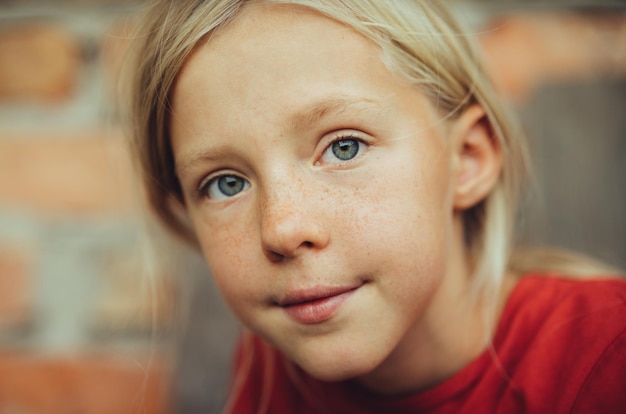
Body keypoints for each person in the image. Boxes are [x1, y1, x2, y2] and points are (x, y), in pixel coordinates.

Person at [127, 1, 626, 412]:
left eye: (344, 147)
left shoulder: (605, 361)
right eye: (225, 183)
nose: (281, 228)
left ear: (467, 160)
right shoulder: (271, 365)